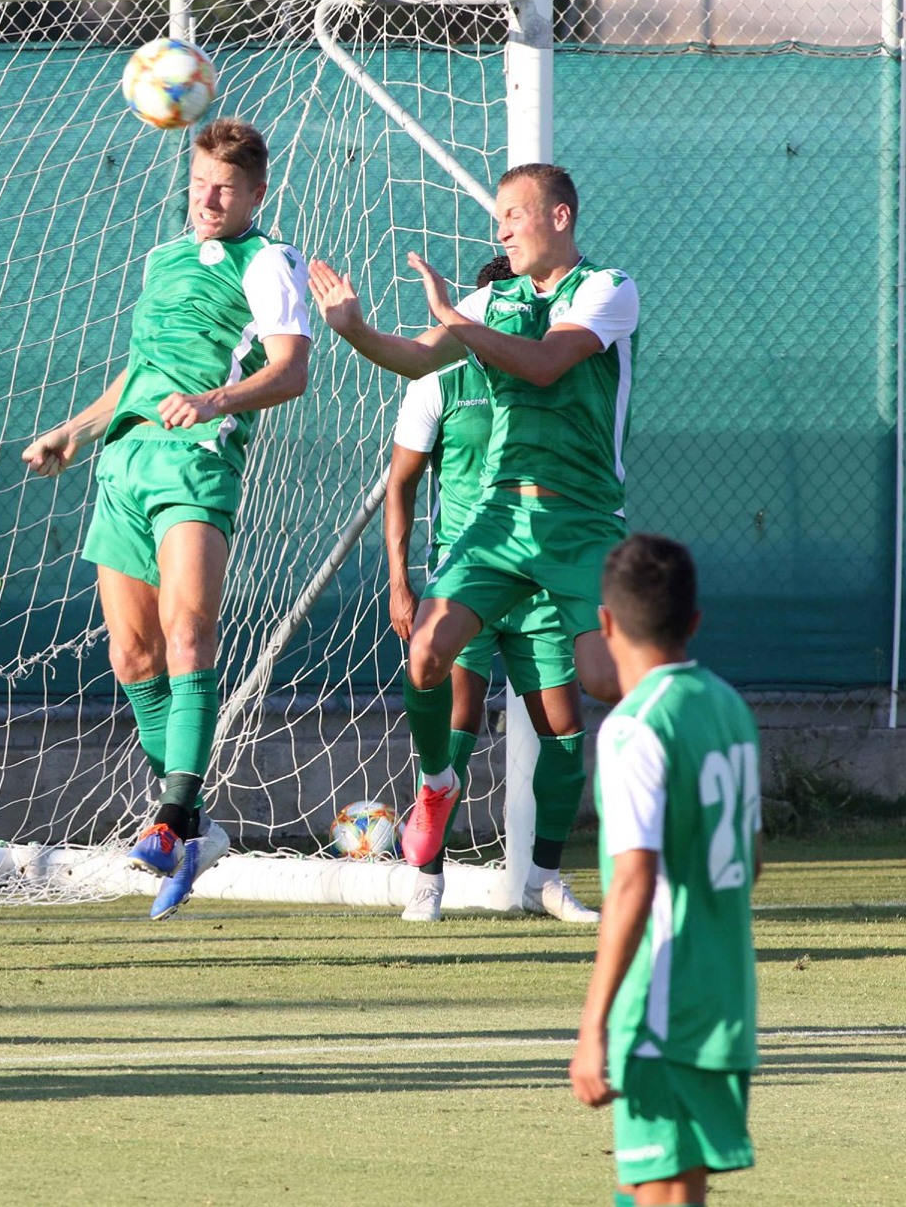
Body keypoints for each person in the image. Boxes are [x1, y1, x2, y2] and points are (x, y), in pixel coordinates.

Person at [309, 163, 635, 917]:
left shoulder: (608, 288)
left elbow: (550, 364)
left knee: (601, 683)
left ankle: (566, 864)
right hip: (494, 521)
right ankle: (435, 784)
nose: (501, 231)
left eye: (513, 215)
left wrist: (453, 316)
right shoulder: (490, 300)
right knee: (426, 653)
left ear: (559, 216)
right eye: (498, 219)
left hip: (582, 521)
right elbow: (419, 359)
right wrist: (355, 329)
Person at [22, 118, 311, 918]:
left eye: (224, 187)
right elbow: (138, 373)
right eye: (198, 182)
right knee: (132, 656)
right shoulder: (163, 258)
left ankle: (171, 816)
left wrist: (216, 398)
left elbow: (291, 370)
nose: (207, 198)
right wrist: (72, 435)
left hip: (197, 459)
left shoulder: (269, 262)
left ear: (257, 192)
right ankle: (194, 826)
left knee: (190, 636)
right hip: (123, 462)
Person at [383, 255, 597, 923]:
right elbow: (402, 484)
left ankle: (544, 881)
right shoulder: (440, 380)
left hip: (538, 581)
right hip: (469, 574)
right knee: (456, 728)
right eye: (500, 307)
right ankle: (427, 879)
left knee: (563, 730)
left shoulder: (554, 380)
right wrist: (400, 579)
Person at [571, 534, 759, 1206]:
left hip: (661, 1004)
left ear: (606, 623)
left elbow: (633, 880)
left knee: (661, 1191)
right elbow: (750, 857)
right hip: (724, 993)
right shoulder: (730, 707)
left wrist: (593, 1024)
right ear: (695, 622)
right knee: (661, 1187)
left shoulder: (633, 728)